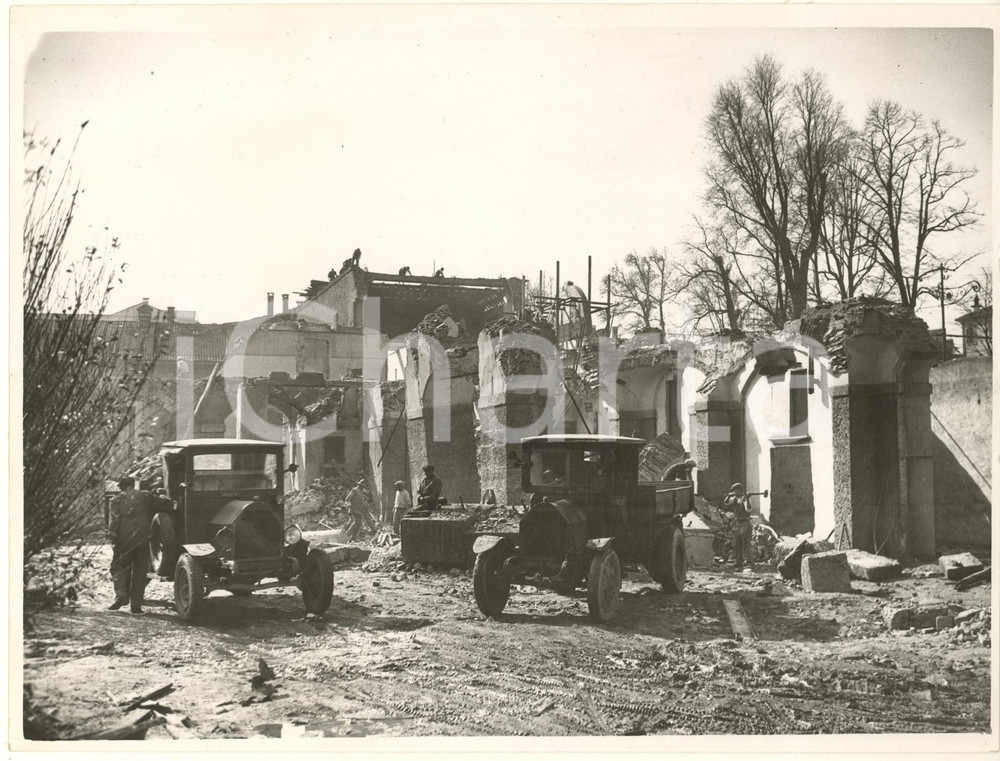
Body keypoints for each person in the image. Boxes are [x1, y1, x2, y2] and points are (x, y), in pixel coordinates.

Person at [107, 475, 156, 614]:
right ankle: (136, 606)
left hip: (124, 539)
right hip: (142, 539)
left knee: (119, 567)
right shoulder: (146, 496)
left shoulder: (116, 499)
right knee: (139, 571)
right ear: (133, 485)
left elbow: (114, 521)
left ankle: (121, 596)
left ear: (121, 487)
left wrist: (113, 537)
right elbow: (162, 505)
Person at [722, 482, 753, 570]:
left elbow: (749, 508)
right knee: (737, 544)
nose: (734, 492)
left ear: (740, 490)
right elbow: (726, 502)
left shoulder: (745, 498)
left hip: (745, 523)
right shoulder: (734, 498)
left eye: (736, 491)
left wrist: (747, 498)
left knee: (746, 544)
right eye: (733, 491)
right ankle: (739, 563)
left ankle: (750, 563)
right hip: (738, 524)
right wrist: (728, 495)